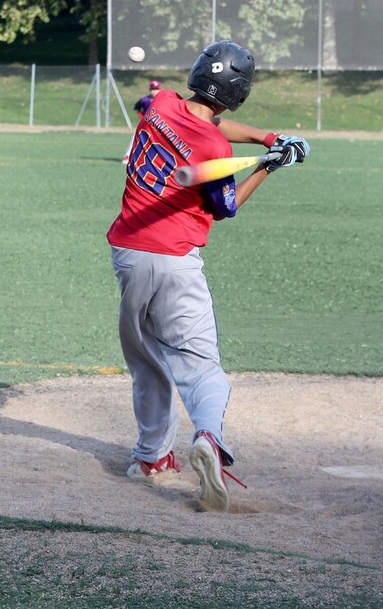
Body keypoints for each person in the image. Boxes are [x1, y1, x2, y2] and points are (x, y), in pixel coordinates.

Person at [107, 40, 310, 513]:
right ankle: (209, 439)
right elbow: (226, 207)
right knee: (202, 368)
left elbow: (209, 121)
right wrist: (269, 168)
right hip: (175, 260)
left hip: (128, 253)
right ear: (238, 91)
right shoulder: (213, 148)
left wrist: (267, 140)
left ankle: (151, 458)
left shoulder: (160, 103)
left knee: (147, 359)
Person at [122, 81, 163, 166]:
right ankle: (127, 156)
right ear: (149, 90)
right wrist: (142, 118)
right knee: (135, 137)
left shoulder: (163, 101)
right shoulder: (144, 100)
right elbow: (137, 109)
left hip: (158, 125)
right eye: (152, 89)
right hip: (146, 124)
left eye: (156, 89)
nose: (154, 91)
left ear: (160, 90)